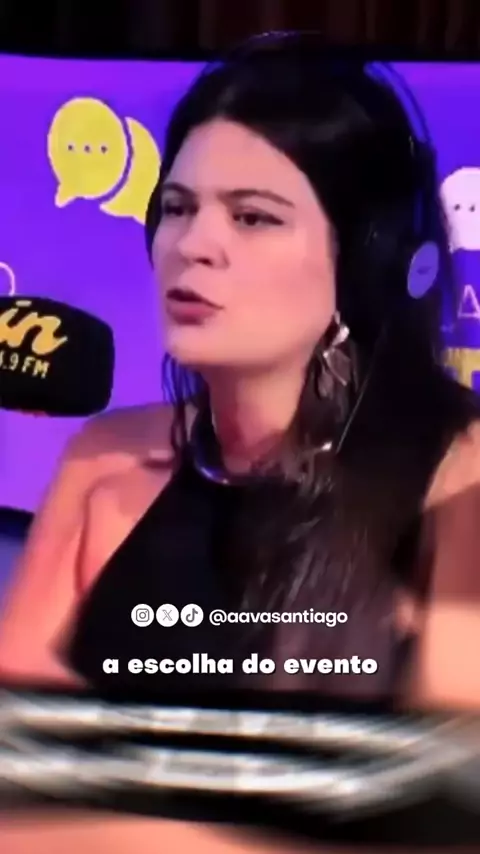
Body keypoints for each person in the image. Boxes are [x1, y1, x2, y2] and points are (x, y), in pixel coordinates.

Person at [0, 30, 479, 854]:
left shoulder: (459, 479)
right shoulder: (103, 463)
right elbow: (15, 780)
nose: (194, 245)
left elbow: (447, 819)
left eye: (253, 217)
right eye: (177, 208)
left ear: (365, 263)